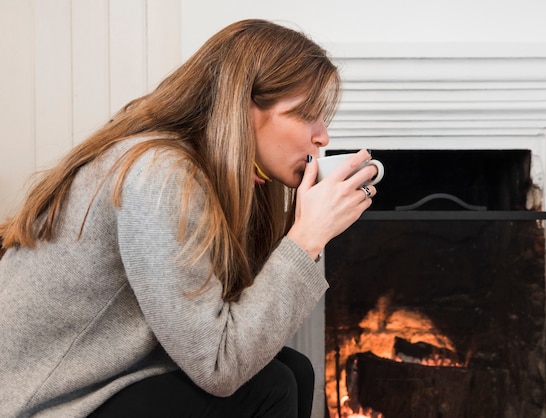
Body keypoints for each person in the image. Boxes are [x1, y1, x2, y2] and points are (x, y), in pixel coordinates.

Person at [0, 19, 378, 418]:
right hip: (35, 406)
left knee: (294, 370)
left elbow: (232, 327)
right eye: (306, 114)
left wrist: (305, 231)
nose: (323, 137)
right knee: (271, 388)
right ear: (243, 109)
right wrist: (307, 238)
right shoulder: (160, 175)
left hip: (105, 379)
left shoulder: (225, 178)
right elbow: (219, 365)